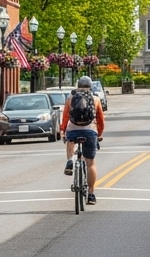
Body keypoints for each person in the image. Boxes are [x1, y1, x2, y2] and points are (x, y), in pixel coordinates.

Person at [62, 76, 105, 206]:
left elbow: (65, 117)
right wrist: (99, 134)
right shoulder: (96, 99)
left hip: (73, 130)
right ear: (90, 86)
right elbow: (101, 120)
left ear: (78, 85)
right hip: (90, 131)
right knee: (90, 163)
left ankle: (70, 160)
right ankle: (91, 194)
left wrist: (63, 131)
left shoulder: (70, 98)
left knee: (70, 141)